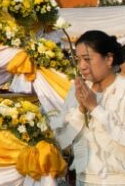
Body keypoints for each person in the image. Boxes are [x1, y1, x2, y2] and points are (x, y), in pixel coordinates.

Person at [49, 30, 124, 185]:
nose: (82, 66)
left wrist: (95, 108)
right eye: (78, 59)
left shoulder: (122, 90)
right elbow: (61, 141)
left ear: (109, 59)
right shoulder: (78, 90)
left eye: (87, 59)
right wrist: (80, 110)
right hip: (84, 179)